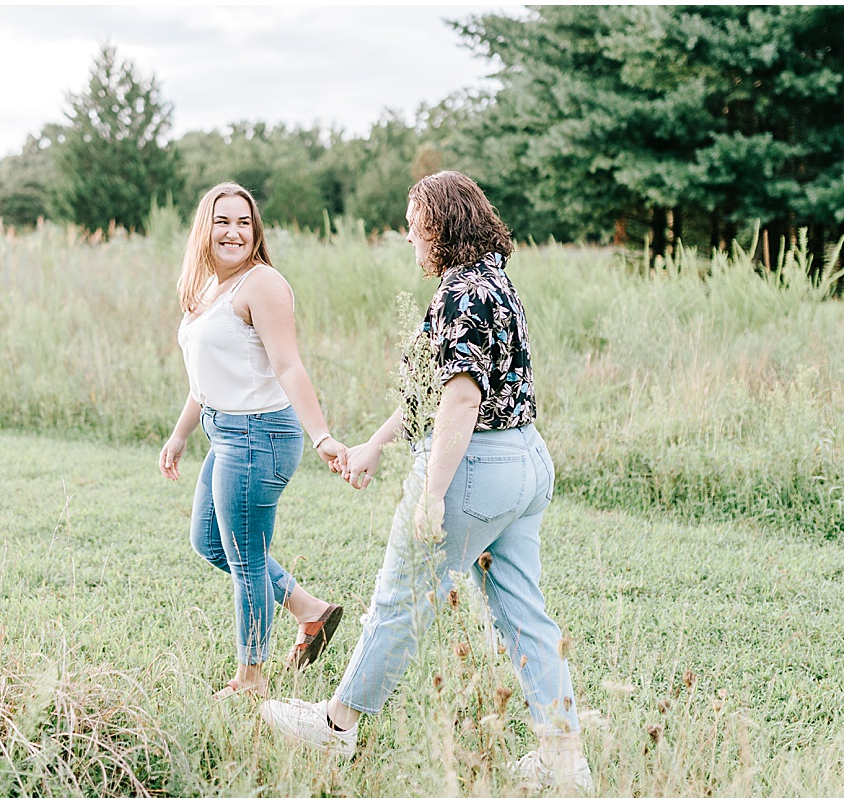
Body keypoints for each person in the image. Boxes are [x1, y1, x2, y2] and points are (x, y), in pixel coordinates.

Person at [259, 171, 594, 792]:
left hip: (473, 470)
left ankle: (336, 726)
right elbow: (433, 391)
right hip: (525, 463)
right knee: (524, 613)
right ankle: (563, 757)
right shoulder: (495, 282)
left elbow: (461, 401)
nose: (408, 237)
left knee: (400, 599)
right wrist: (373, 447)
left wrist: (433, 496)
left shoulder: (458, 295)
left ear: (438, 227)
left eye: (412, 226)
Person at [160, 182, 347, 700]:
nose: (234, 232)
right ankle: (309, 611)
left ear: (255, 230)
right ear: (205, 228)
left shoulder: (262, 285)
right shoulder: (208, 291)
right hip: (225, 432)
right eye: (223, 221)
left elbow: (288, 364)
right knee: (209, 542)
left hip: (260, 436)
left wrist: (322, 435)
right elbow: (207, 378)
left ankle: (251, 679)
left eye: (244, 222)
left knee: (245, 560)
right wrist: (180, 435)